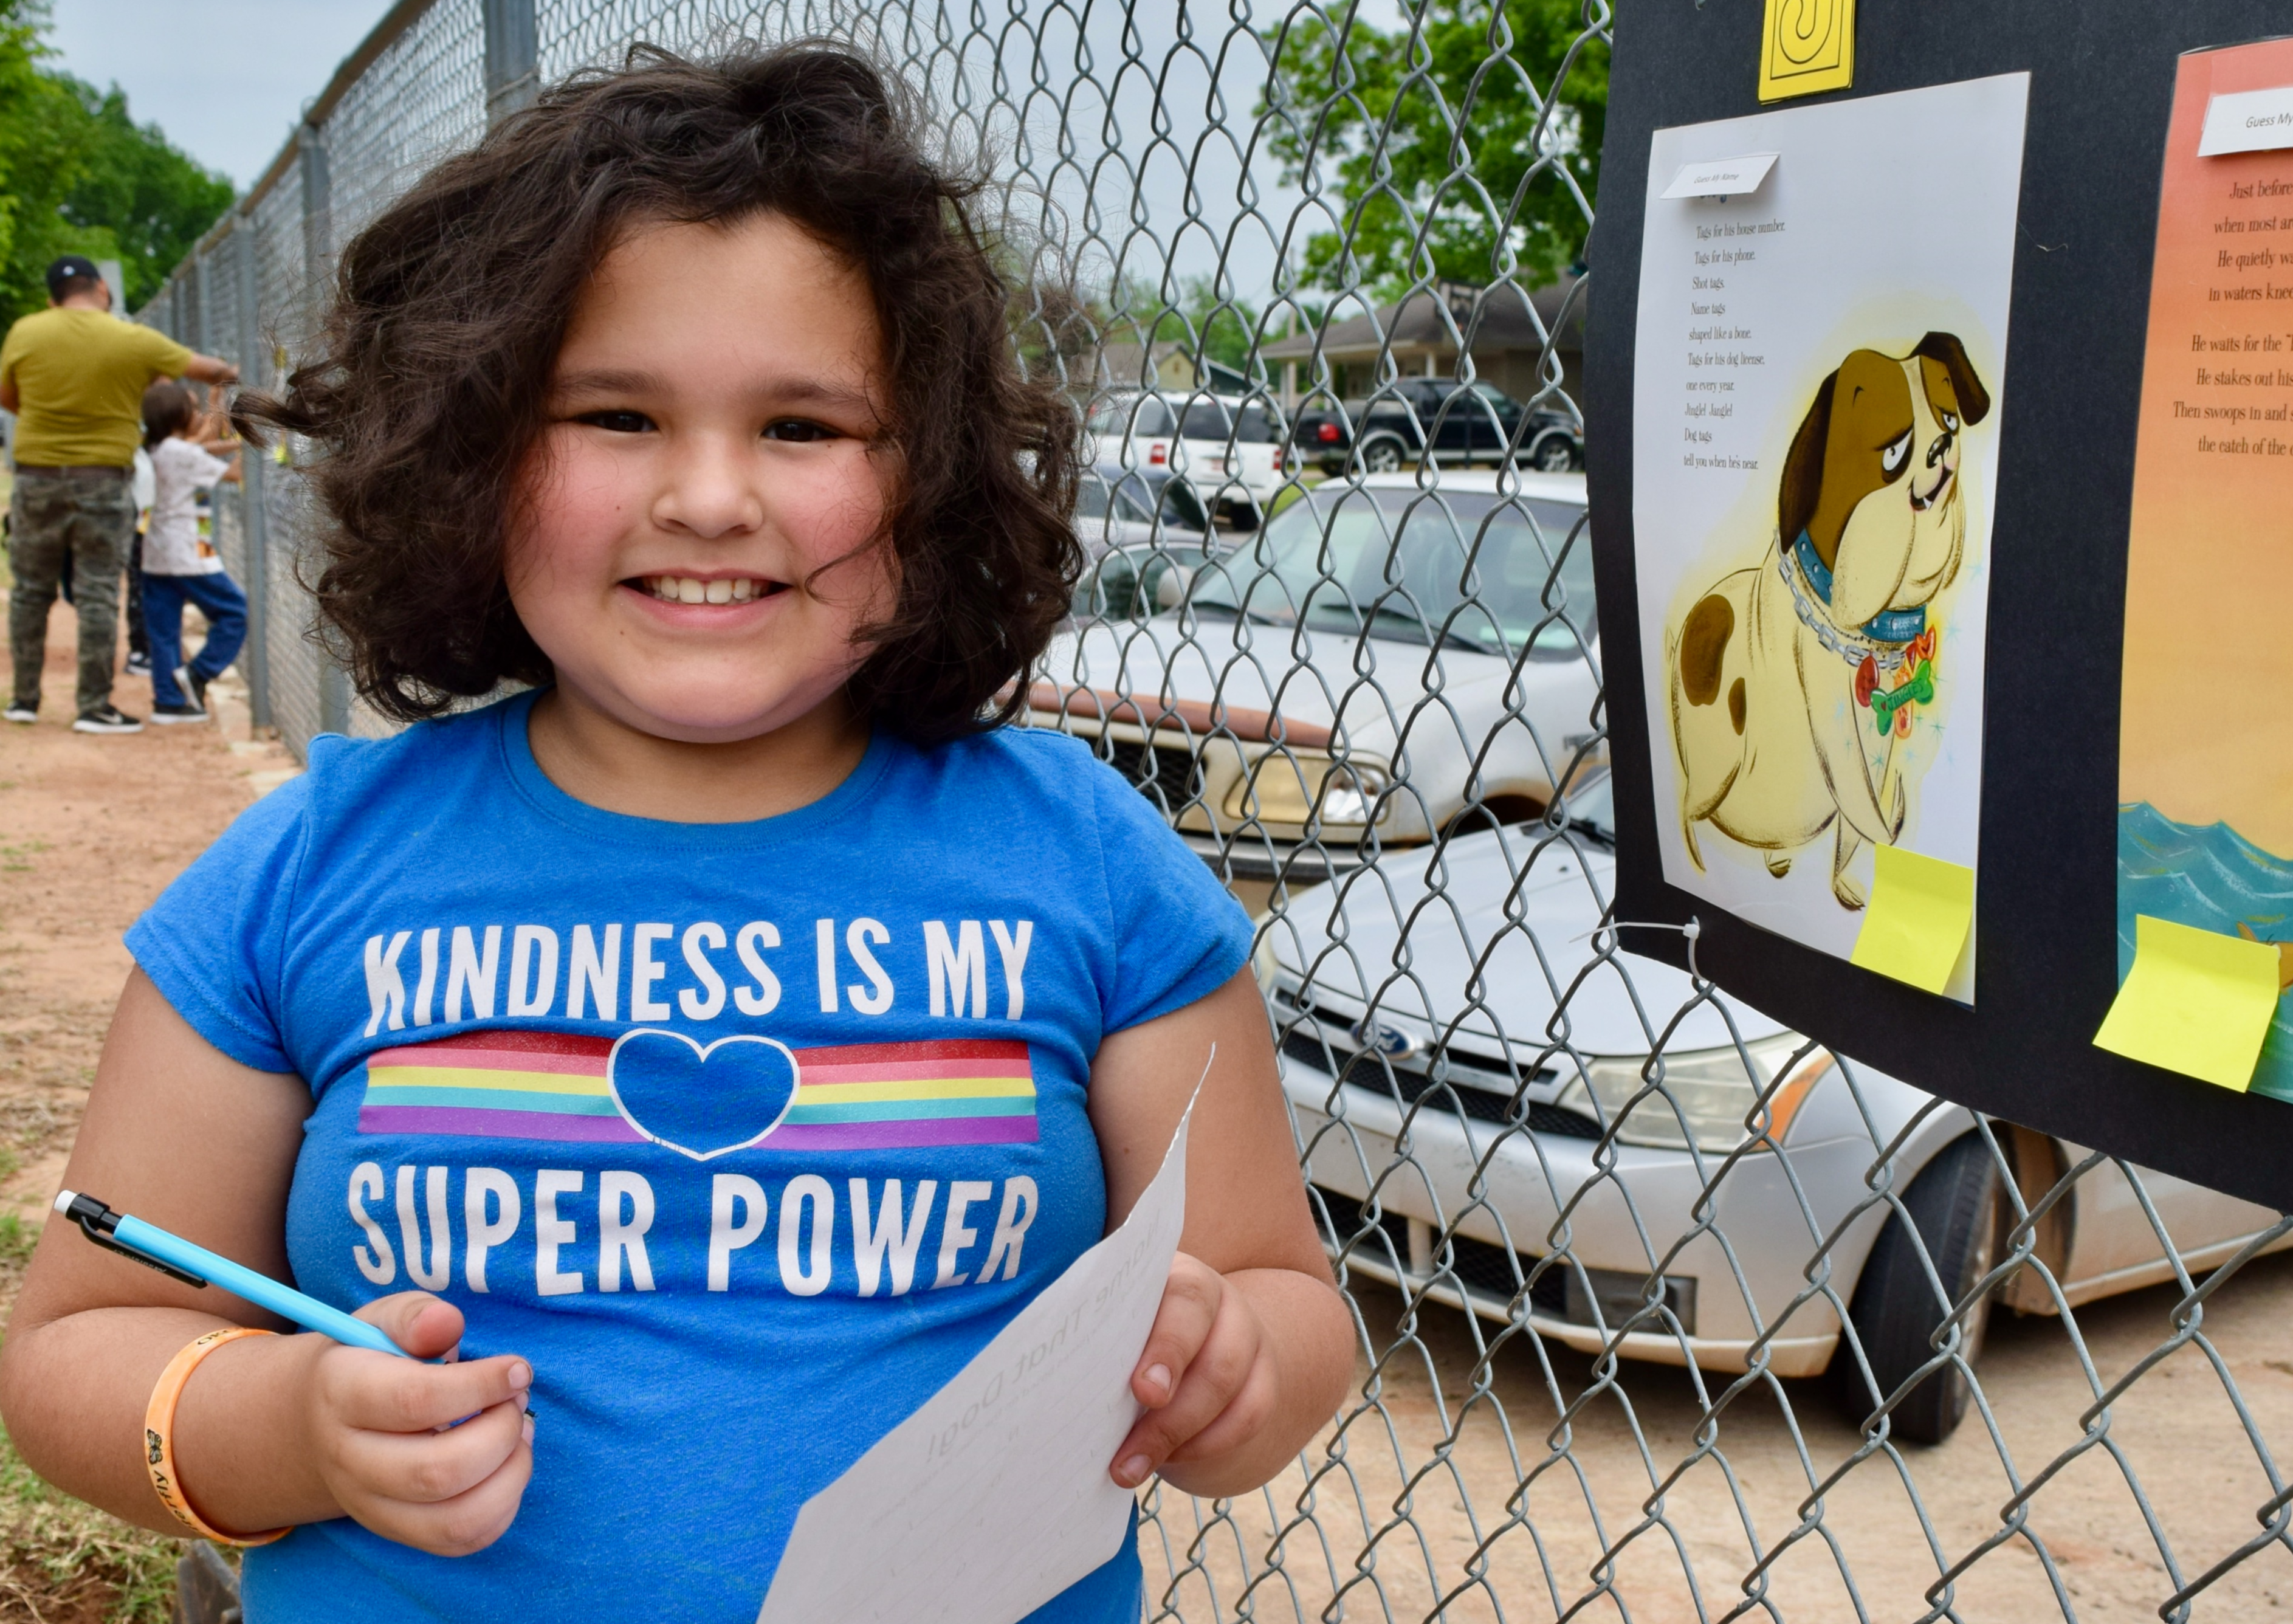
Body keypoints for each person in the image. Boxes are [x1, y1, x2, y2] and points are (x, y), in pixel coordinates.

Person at [0, 45, 1353, 1624]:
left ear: (926, 474)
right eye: (615, 414)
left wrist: (1234, 1373)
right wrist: (291, 1431)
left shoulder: (1087, 863)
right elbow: (75, 1348)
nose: (709, 497)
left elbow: (1281, 1295)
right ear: (473, 452)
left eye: (803, 427)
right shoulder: (308, 871)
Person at [0, 255, 238, 733]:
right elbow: (214, 370)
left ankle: (23, 700)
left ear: (53, 300)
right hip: (103, 480)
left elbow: (9, 398)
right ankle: (93, 707)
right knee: (98, 593)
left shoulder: (26, 331)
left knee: (30, 591)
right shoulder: (133, 339)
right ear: (103, 291)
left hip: (35, 477)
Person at [137, 380, 246, 724]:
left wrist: (217, 403)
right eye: (193, 408)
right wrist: (252, 442)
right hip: (189, 552)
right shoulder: (182, 453)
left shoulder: (157, 448)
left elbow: (203, 444)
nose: (198, 414)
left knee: (163, 631)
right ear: (178, 415)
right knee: (234, 612)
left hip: (156, 554)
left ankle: (168, 702)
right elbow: (234, 474)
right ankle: (198, 673)